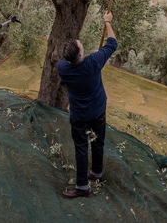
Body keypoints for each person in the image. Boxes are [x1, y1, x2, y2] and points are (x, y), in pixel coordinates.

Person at [58, 11, 117, 199]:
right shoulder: (94, 62)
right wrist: (107, 22)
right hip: (98, 110)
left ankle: (83, 184)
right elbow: (112, 43)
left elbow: (76, 63)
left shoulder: (62, 68)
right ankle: (95, 175)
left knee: (81, 147)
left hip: (79, 115)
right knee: (98, 141)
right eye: (82, 47)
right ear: (81, 54)